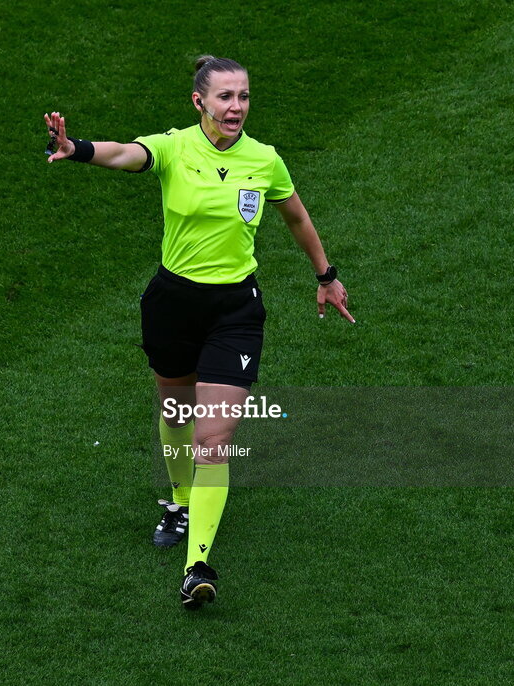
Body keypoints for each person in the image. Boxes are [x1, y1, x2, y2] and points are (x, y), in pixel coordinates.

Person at [44, 55, 353, 609]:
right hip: (172, 303)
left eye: (244, 97)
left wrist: (325, 275)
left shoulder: (265, 160)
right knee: (175, 411)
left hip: (235, 310)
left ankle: (198, 566)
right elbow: (127, 153)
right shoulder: (173, 147)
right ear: (199, 102)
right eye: (225, 97)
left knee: (213, 440)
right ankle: (182, 499)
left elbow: (297, 218)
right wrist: (79, 149)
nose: (236, 107)